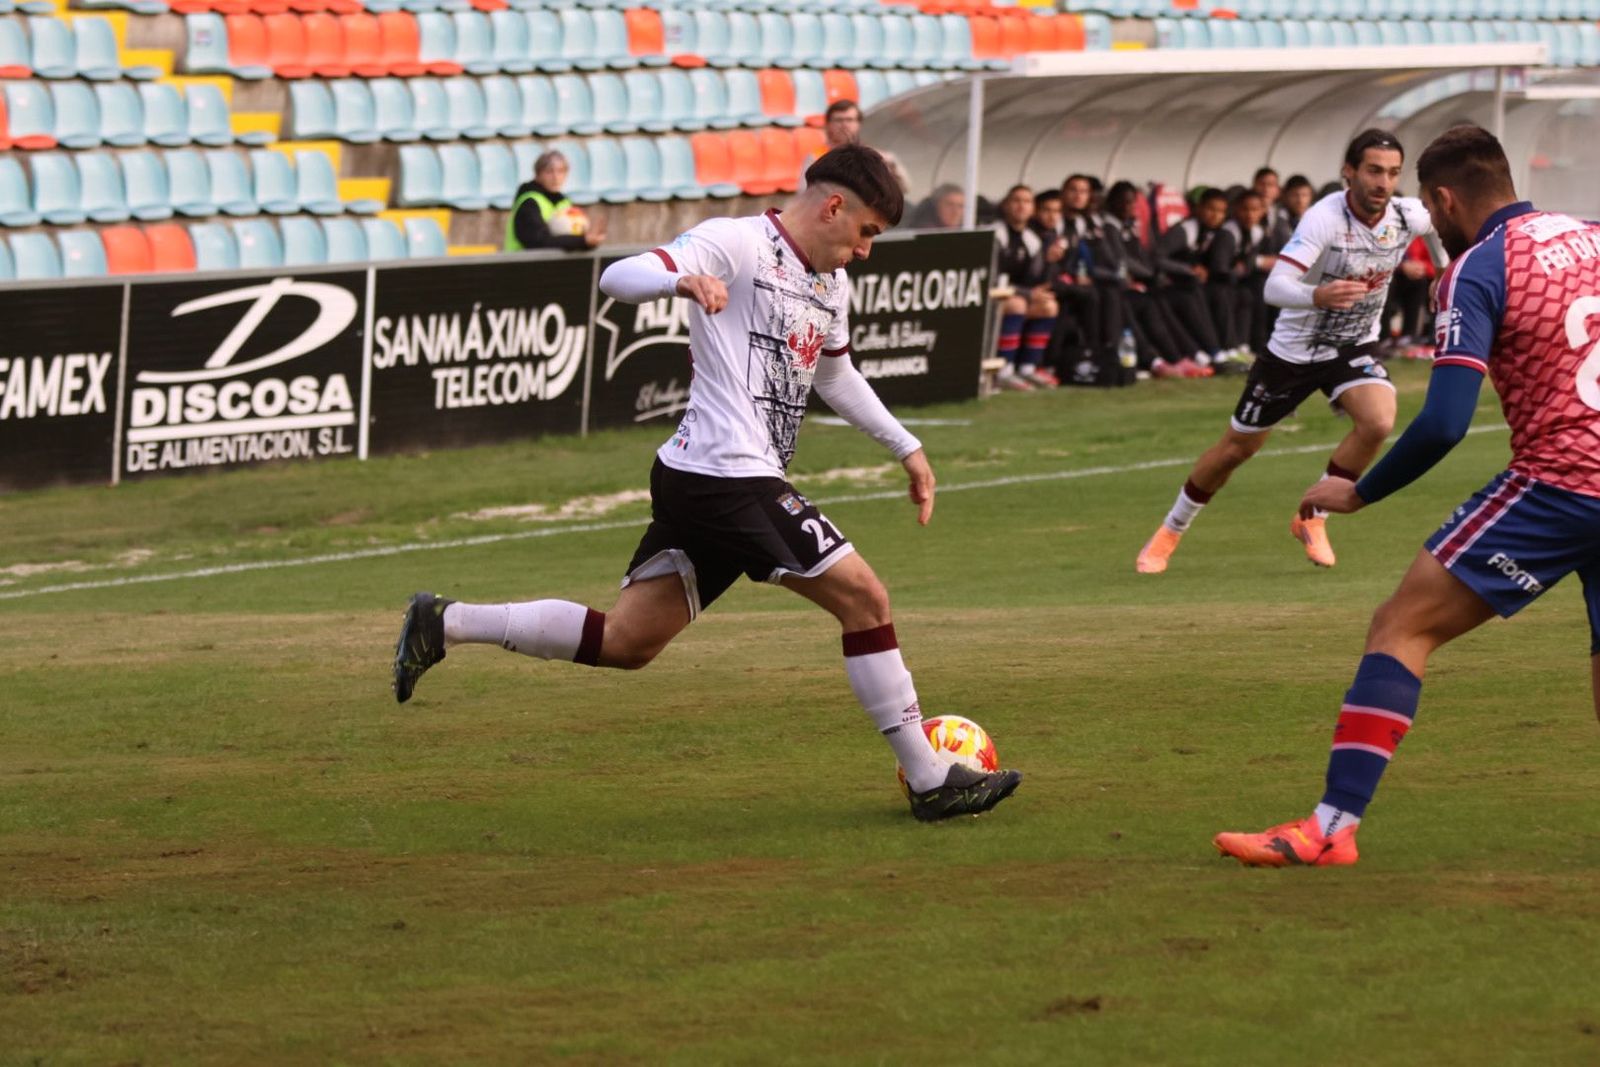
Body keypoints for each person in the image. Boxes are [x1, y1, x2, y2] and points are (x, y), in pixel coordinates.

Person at [393, 145, 1023, 822]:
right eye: (868, 231)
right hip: (725, 474)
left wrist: (908, 446)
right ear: (835, 205)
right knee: (866, 599)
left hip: (710, 478)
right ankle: (930, 778)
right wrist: (679, 283)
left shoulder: (831, 285)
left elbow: (834, 375)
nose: (867, 251)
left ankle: (444, 621)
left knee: (626, 642)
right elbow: (621, 276)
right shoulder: (736, 242)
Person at [1214, 124, 1600, 867]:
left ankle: (1330, 826)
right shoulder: (1588, 233)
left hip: (1563, 484)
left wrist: (1360, 490)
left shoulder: (1480, 267)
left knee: (1402, 625)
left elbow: (1446, 422)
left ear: (1443, 199)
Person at [1136, 130, 1448, 575]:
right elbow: (1274, 286)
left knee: (1378, 420)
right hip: (1293, 353)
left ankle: (1313, 518)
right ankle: (1169, 531)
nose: (1384, 182)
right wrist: (1317, 296)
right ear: (1349, 172)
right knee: (1236, 449)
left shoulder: (1405, 213)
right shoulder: (1324, 219)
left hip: (1352, 346)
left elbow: (1437, 221)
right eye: (1374, 170)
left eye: (1393, 173)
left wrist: (1443, 270)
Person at [991, 184, 1060, 389]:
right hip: (992, 297)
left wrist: (1050, 261)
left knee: (1049, 306)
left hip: (1016, 296)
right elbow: (991, 276)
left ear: (1032, 209)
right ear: (1006, 205)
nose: (1021, 206)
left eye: (1027, 201)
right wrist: (1028, 293)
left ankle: (1028, 368)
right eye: (1016, 200)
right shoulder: (996, 233)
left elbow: (1036, 278)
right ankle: (1004, 370)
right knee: (1017, 304)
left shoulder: (1032, 240)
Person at [800, 100, 912, 195]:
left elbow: (904, 189)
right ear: (828, 125)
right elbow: (804, 194)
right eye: (839, 120)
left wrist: (893, 165)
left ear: (859, 124)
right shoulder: (816, 157)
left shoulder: (873, 156)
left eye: (849, 120)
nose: (844, 125)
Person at [503, 150, 606, 253]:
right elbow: (538, 242)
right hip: (521, 265)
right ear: (538, 174)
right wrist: (583, 241)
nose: (556, 177)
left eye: (560, 171)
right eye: (549, 172)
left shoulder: (565, 203)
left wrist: (589, 239)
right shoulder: (529, 203)